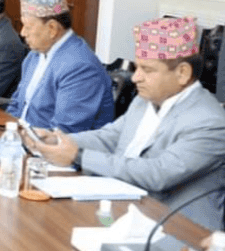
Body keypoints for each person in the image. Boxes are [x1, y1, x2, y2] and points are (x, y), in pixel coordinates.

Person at [28, 16, 225, 230]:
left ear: (182, 73)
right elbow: (110, 137)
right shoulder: (144, 100)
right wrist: (57, 139)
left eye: (147, 70)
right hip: (122, 209)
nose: (135, 78)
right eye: (137, 67)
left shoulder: (209, 122)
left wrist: (78, 156)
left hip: (175, 228)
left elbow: (158, 173)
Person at [5, 0, 113, 132]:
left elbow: (64, 131)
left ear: (52, 28)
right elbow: (16, 105)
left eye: (28, 26)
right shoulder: (34, 56)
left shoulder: (80, 67)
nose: (23, 33)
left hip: (48, 144)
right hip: (20, 137)